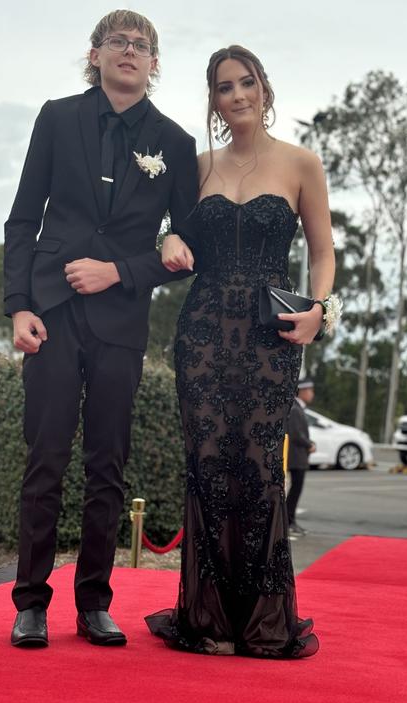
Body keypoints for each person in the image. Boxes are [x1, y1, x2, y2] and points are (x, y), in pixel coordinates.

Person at [5, 10, 198, 648]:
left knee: (107, 464)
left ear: (154, 64)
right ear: (95, 54)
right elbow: (22, 217)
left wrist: (118, 271)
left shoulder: (174, 142)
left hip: (121, 322)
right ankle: (30, 602)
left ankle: (94, 602)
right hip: (52, 313)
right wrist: (18, 305)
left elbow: (186, 247)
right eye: (118, 42)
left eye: (142, 45)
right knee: (46, 458)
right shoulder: (57, 117)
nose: (129, 51)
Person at [145, 45, 336, 658]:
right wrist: (171, 234)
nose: (237, 96)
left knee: (258, 470)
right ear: (213, 100)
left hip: (269, 337)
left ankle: (261, 622)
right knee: (206, 469)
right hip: (202, 334)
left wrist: (320, 312)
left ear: (263, 87)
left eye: (246, 82)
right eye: (224, 88)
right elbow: (168, 234)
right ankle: (206, 619)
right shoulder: (196, 168)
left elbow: (324, 252)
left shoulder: (301, 163)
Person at [287, 379, 317, 536]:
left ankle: (289, 521)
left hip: (298, 456)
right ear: (303, 391)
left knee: (295, 490)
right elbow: (296, 434)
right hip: (296, 457)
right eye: (310, 390)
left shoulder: (297, 408)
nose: (312, 394)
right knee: (295, 490)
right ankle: (288, 522)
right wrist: (309, 444)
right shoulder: (295, 409)